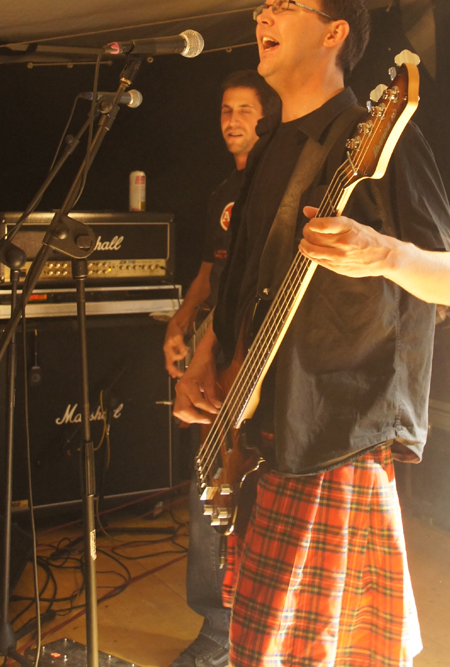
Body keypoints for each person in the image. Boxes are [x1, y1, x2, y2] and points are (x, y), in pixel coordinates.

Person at [174, 0, 450, 667]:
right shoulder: (270, 147)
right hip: (268, 430)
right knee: (263, 645)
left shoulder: (378, 139)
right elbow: (244, 282)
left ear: (334, 32)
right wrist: (207, 352)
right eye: (262, 6)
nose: (262, 17)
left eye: (284, 5)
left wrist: (384, 253)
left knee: (308, 650)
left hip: (337, 430)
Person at [164, 69, 279, 667]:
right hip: (215, 352)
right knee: (208, 479)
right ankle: (217, 628)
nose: (232, 121)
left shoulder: (278, 184)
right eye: (225, 111)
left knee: (248, 484)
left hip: (256, 358)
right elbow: (212, 272)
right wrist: (182, 321)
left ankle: (247, 627)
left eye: (244, 110)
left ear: (268, 118)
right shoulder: (223, 194)